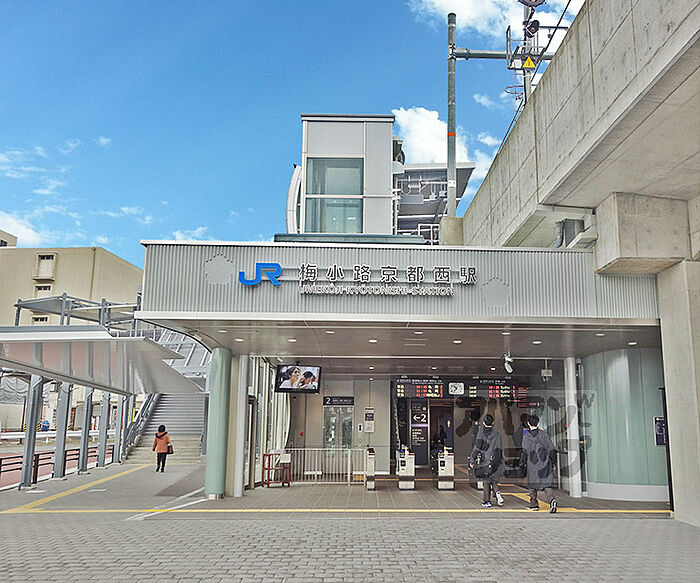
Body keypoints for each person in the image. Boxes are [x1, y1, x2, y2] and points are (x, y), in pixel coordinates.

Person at [521, 415, 558, 513]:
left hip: (532, 464)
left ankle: (534, 504)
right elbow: (551, 449)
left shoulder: (526, 437)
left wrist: (523, 464)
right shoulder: (544, 435)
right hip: (545, 463)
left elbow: (524, 452)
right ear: (538, 423)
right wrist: (553, 462)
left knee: (532, 485)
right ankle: (552, 500)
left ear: (528, 423)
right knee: (546, 484)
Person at [469, 414, 505, 508]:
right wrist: (501, 460)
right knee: (493, 479)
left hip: (485, 460)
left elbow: (477, 447)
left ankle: (487, 501)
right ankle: (497, 492)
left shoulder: (481, 433)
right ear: (493, 423)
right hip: (495, 459)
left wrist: (472, 460)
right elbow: (500, 448)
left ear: (484, 423)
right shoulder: (496, 434)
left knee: (486, 480)